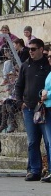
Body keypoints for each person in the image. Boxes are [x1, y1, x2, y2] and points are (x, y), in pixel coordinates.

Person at [14, 38, 51, 182]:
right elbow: (19, 86)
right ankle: (34, 170)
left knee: (48, 141)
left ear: (41, 49)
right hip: (29, 109)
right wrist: (19, 102)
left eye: (33, 49)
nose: (31, 51)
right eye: (29, 49)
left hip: (45, 109)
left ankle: (48, 171)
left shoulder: (48, 66)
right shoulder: (25, 66)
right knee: (32, 141)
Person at [40, 51, 51, 182]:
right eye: (48, 56)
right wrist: (41, 93)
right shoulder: (49, 73)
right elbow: (44, 88)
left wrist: (47, 94)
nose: (49, 58)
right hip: (47, 108)